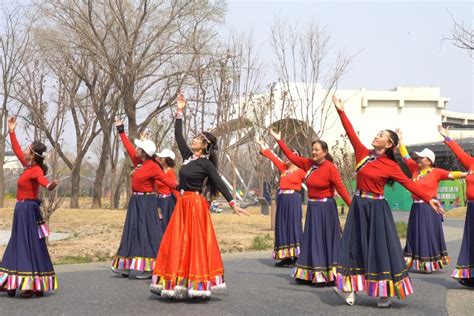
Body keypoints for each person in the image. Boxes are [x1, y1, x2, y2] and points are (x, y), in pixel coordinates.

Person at [331, 96, 443, 308]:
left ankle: (384, 292)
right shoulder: (363, 155)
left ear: (389, 143)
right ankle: (347, 287)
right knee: (353, 246)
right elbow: (351, 133)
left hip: (377, 209)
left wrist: (430, 199)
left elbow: (410, 184)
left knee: (381, 248)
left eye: (381, 135)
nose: (377, 136)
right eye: (378, 133)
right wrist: (341, 111)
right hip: (358, 206)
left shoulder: (391, 166)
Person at [150, 94, 249, 299]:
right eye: (194, 137)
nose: (193, 139)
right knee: (177, 242)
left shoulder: (206, 164)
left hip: (195, 205)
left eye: (198, 138)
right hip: (183, 204)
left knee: (193, 244)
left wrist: (233, 203)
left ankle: (197, 285)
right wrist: (179, 111)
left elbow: (220, 183)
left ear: (204, 145)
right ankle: (177, 282)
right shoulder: (187, 158)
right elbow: (179, 137)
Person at [269, 130, 351, 284]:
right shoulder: (308, 164)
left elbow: (340, 188)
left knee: (326, 240)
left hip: (326, 209)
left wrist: (353, 207)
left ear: (325, 152)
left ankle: (329, 275)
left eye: (317, 150)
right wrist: (280, 141)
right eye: (312, 149)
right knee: (311, 240)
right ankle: (309, 273)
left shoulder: (330, 167)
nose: (313, 152)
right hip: (313, 209)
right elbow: (292, 157)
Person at [110, 118, 177, 279]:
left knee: (148, 232)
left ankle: (151, 267)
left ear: (144, 153)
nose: (136, 149)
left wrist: (184, 187)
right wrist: (121, 130)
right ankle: (125, 265)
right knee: (131, 230)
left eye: (139, 148)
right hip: (135, 202)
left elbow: (167, 181)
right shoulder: (138, 162)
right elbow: (127, 147)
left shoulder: (153, 167)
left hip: (147, 203)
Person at [0, 117, 58, 298]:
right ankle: (10, 279)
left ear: (32, 154)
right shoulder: (27, 166)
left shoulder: (36, 170)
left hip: (29, 211)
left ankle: (31, 284)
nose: (24, 150)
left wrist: (49, 186)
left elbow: (43, 182)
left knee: (28, 244)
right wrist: (11, 131)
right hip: (20, 210)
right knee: (18, 242)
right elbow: (16, 148)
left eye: (27, 149)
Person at [397, 129, 467, 273]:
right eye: (418, 157)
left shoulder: (436, 172)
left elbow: (452, 174)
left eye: (421, 157)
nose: (418, 159)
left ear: (429, 160)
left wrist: (468, 173)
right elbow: (405, 156)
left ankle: (429, 263)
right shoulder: (414, 169)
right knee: (414, 233)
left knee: (427, 234)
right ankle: (413, 261)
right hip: (416, 208)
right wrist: (401, 140)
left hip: (429, 208)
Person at [256, 138, 306, 267]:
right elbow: (272, 156)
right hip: (282, 200)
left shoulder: (301, 172)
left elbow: (314, 180)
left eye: (292, 155)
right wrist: (262, 144)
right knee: (281, 226)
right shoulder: (283, 168)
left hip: (293, 200)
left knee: (293, 226)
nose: (288, 157)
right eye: (287, 155)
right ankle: (285, 257)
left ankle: (295, 256)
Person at [438, 125, 474, 287]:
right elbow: (459, 153)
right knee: (471, 241)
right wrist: (447, 137)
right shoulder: (472, 163)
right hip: (472, 208)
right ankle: (470, 275)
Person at [154, 149, 179, 231]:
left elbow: (174, 187)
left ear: (168, 159)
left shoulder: (170, 172)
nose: (160, 158)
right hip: (158, 199)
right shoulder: (159, 171)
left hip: (166, 201)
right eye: (160, 157)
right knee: (158, 221)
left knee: (164, 222)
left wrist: (179, 200)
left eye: (162, 157)